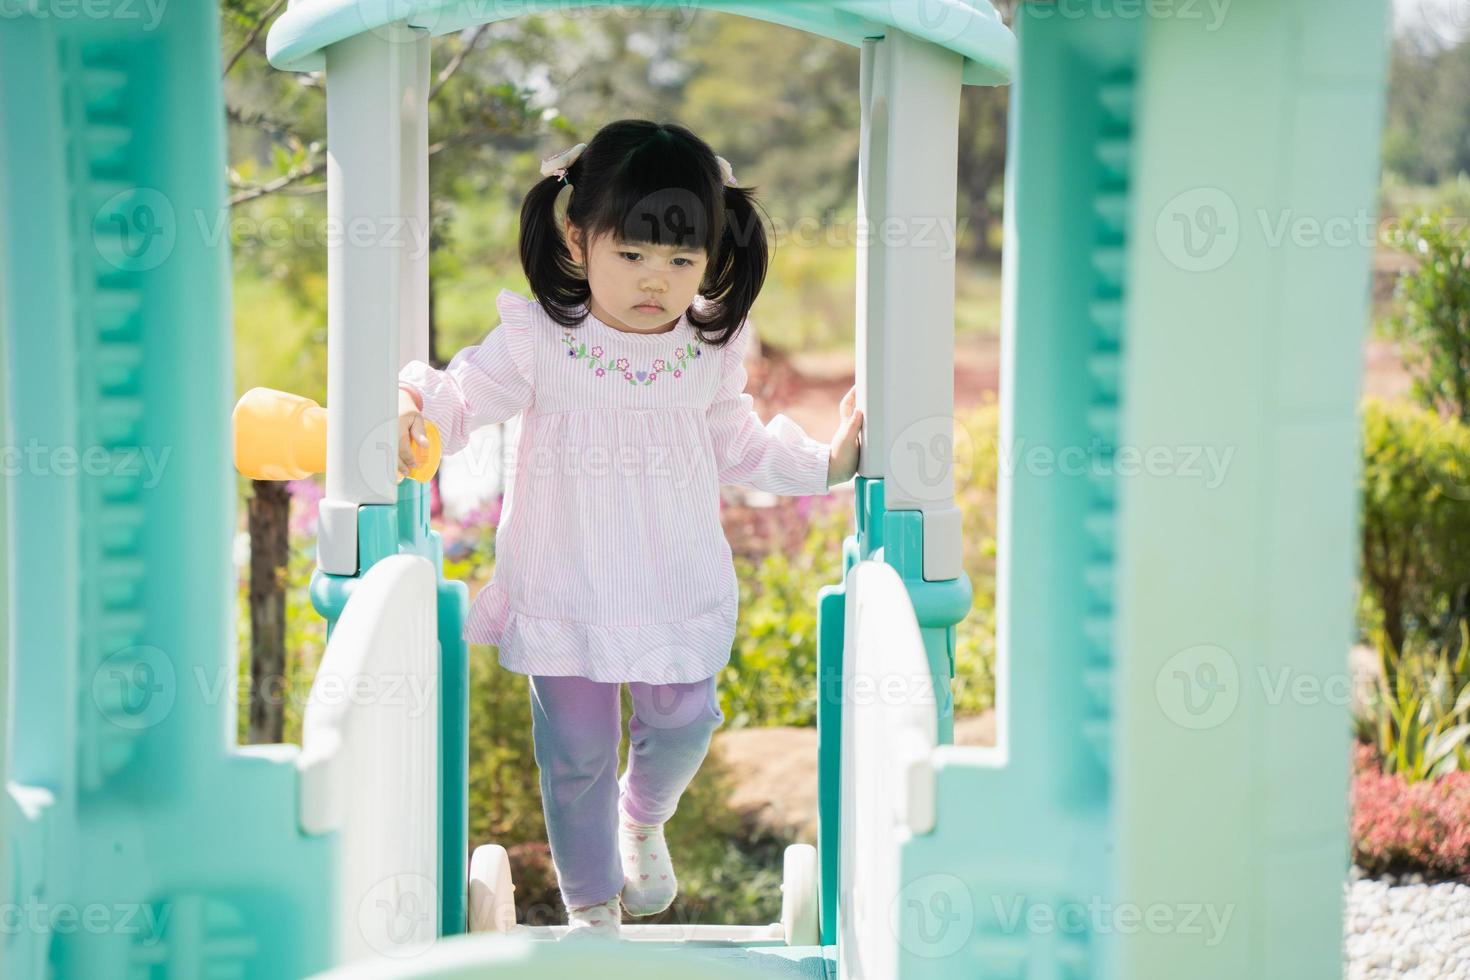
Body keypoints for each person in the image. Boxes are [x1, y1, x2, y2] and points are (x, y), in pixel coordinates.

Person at [395, 119, 862, 941]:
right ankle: (593, 908)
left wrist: (826, 463)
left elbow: (741, 445)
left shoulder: (706, 351)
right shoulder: (543, 341)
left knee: (684, 724)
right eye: (633, 254)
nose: (657, 279)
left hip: (672, 581)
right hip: (565, 583)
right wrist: (416, 413)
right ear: (578, 238)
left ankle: (641, 818)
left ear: (711, 260)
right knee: (574, 756)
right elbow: (465, 397)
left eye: (682, 260)